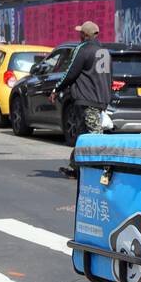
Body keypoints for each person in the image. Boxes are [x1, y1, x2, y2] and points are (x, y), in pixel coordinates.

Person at [53, 21, 112, 178]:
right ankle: (76, 167)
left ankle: (105, 171)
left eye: (80, 33)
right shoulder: (104, 51)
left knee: (94, 136)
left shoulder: (83, 49)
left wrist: (56, 88)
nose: (78, 35)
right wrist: (107, 98)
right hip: (100, 99)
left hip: (87, 100)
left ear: (85, 35)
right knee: (82, 134)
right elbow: (108, 77)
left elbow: (70, 73)